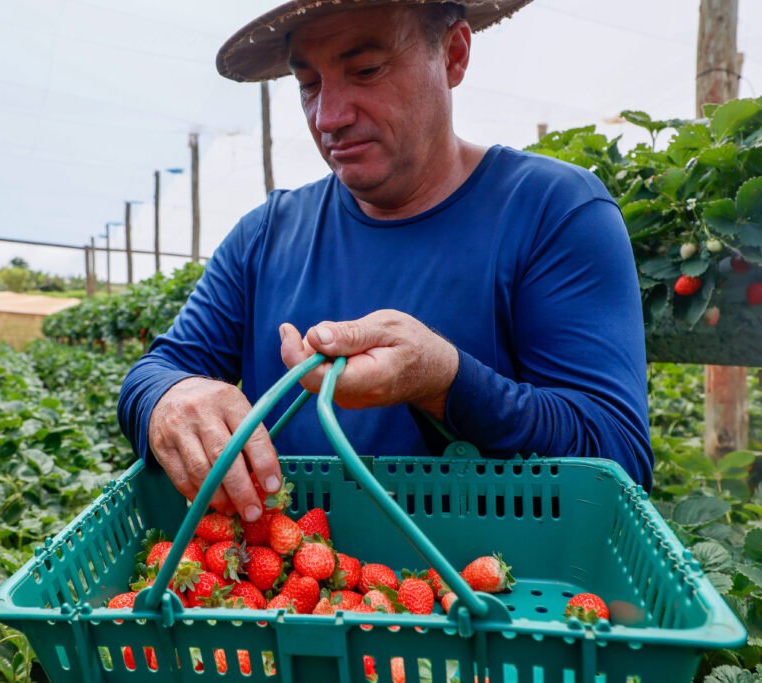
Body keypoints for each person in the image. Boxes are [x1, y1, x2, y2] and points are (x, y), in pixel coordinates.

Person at [117, 0, 653, 524]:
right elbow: (154, 374)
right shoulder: (266, 234)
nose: (329, 116)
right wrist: (172, 397)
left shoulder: (552, 211)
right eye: (309, 84)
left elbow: (618, 458)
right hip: (290, 588)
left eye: (367, 69)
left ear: (453, 54)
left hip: (486, 591)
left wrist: (446, 382)